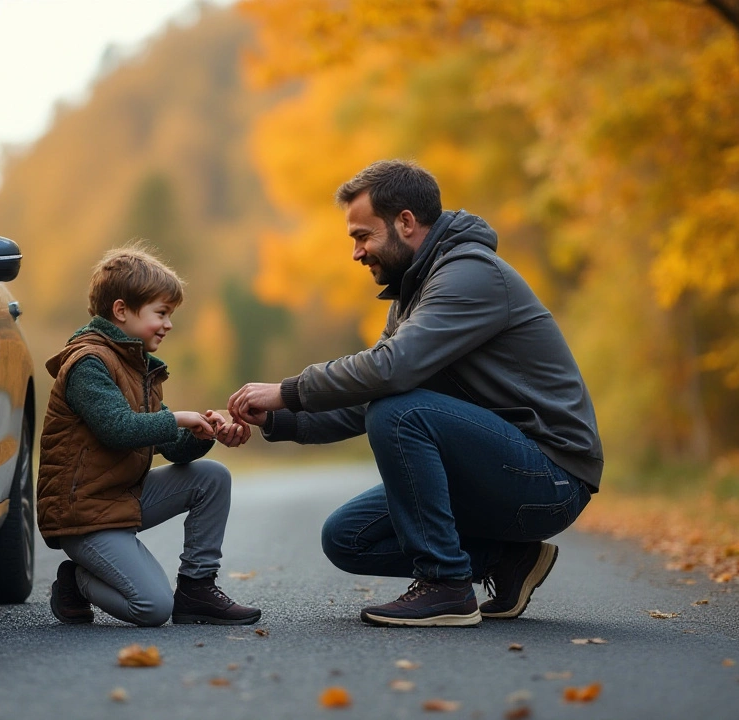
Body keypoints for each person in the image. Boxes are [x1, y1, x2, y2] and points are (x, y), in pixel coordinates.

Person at [228, 160, 602, 628]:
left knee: (400, 411)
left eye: (362, 236)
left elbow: (390, 372)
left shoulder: (470, 275)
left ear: (405, 222)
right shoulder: (415, 292)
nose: (357, 253)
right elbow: (368, 397)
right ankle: (506, 560)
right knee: (347, 537)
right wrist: (279, 419)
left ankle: (446, 585)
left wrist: (290, 390)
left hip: (552, 477)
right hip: (497, 471)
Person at [38, 244, 260, 627]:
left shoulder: (136, 365)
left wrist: (206, 432)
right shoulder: (88, 364)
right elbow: (118, 430)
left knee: (212, 477)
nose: (168, 324)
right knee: (153, 608)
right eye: (161, 313)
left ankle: (197, 588)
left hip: (121, 499)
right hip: (85, 514)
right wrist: (178, 417)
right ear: (121, 310)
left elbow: (169, 447)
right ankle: (76, 581)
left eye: (169, 314)